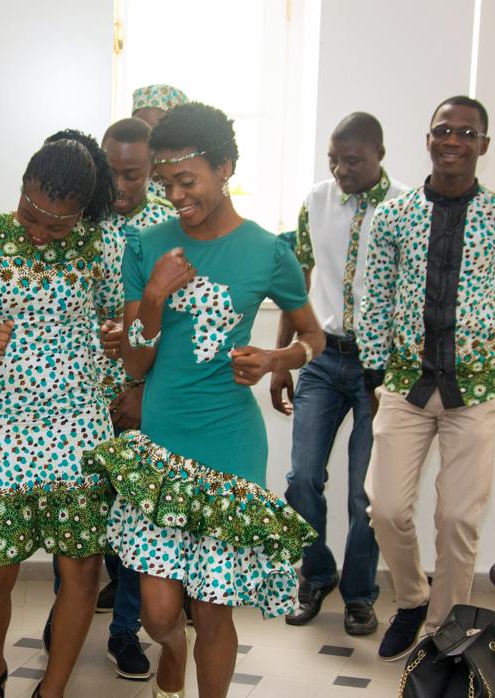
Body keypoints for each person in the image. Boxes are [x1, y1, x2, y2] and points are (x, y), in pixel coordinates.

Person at [84, 102, 326, 698]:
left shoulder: (270, 252)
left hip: (231, 443)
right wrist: (155, 296)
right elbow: (135, 362)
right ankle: (170, 650)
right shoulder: (146, 244)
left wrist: (277, 359)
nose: (174, 195)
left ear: (225, 168)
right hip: (162, 442)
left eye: (185, 181)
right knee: (159, 614)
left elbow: (314, 335)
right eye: (165, 183)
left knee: (214, 609)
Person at [0, 131, 118, 698]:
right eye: (30, 214)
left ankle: (53, 689)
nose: (39, 232)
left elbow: (119, 325)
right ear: (21, 188)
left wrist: (115, 356)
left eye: (57, 225)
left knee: (81, 569)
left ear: (81, 215)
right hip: (2, 423)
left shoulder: (102, 245)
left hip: (79, 422)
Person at [358, 96, 495, 661]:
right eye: (443, 130)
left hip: (477, 392)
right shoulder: (393, 216)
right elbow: (376, 298)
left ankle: (442, 630)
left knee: (458, 517)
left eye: (467, 131)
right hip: (406, 385)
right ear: (428, 140)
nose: (453, 139)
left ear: (484, 144)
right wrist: (374, 373)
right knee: (384, 507)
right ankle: (411, 598)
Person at [42, 116, 175, 680]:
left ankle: (124, 633)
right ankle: (60, 613)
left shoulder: (168, 227)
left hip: (140, 395)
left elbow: (172, 320)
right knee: (71, 516)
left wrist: (138, 388)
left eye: (133, 175)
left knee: (133, 517)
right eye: (112, 174)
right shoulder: (80, 220)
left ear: (153, 172)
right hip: (77, 401)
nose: (121, 187)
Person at [269, 112, 407, 635]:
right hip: (323, 358)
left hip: (382, 367)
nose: (341, 169)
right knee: (302, 477)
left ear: (380, 155)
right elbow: (295, 285)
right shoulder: (317, 201)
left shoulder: (407, 207)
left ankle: (360, 594)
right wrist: (282, 360)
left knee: (365, 493)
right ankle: (317, 573)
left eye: (352, 160)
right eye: (333, 158)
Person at [131, 85, 188, 200]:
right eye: (140, 130)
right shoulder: (119, 183)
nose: (148, 142)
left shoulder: (192, 187)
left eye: (156, 132)